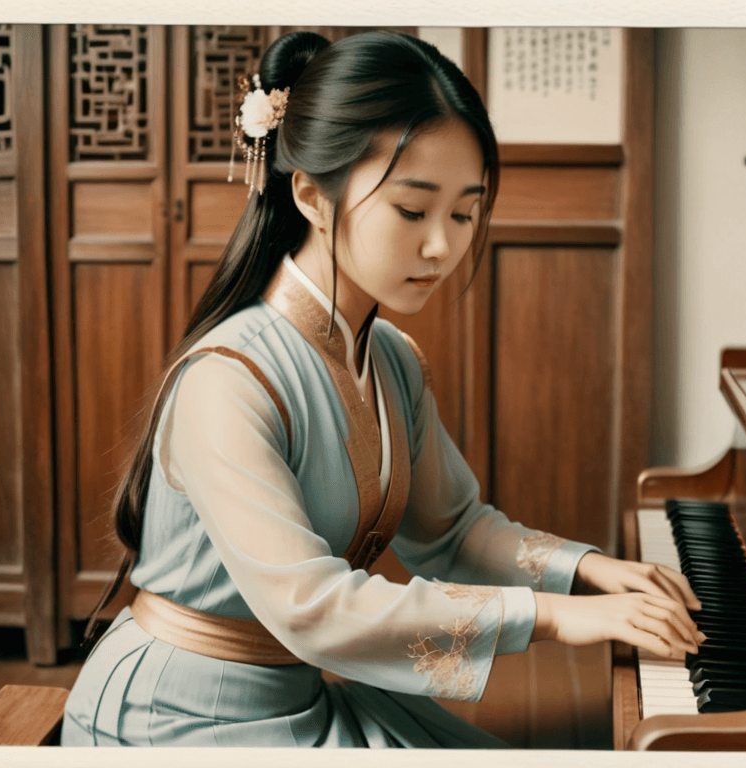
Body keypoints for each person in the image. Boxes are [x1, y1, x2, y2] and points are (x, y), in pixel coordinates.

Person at [61, 29, 703, 749]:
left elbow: (453, 531)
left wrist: (590, 570)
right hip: (176, 715)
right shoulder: (227, 381)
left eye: (464, 213)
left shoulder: (391, 359)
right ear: (310, 193)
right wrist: (552, 617)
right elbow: (309, 607)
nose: (443, 246)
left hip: (299, 693)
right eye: (411, 209)